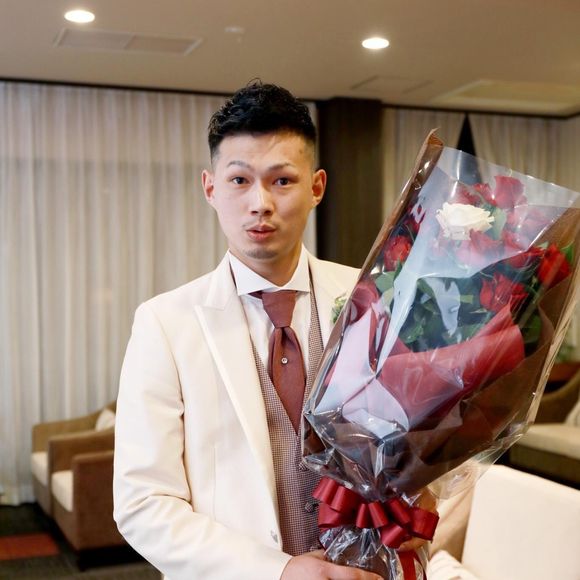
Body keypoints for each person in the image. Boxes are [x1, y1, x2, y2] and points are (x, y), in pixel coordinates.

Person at [113, 82, 424, 580]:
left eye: (282, 180)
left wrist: (416, 505)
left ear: (316, 187)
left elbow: (417, 441)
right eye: (239, 180)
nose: (260, 203)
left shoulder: (371, 297)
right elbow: (143, 503)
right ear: (210, 188)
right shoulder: (164, 323)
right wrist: (277, 571)